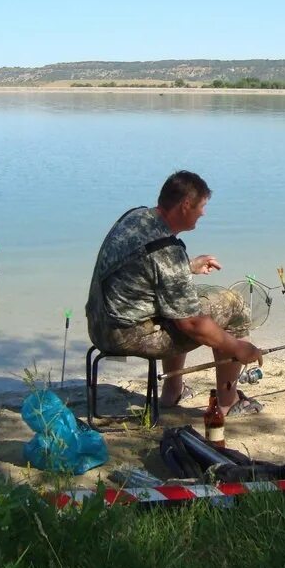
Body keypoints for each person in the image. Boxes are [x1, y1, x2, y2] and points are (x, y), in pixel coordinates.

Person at [86, 171, 264, 415]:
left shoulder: (136, 217)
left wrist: (187, 267)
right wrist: (238, 348)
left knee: (182, 300)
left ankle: (173, 390)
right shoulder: (167, 250)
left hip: (100, 324)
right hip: (127, 335)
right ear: (186, 205)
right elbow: (191, 323)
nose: (203, 213)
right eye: (202, 206)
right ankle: (227, 401)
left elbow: (142, 267)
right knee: (232, 304)